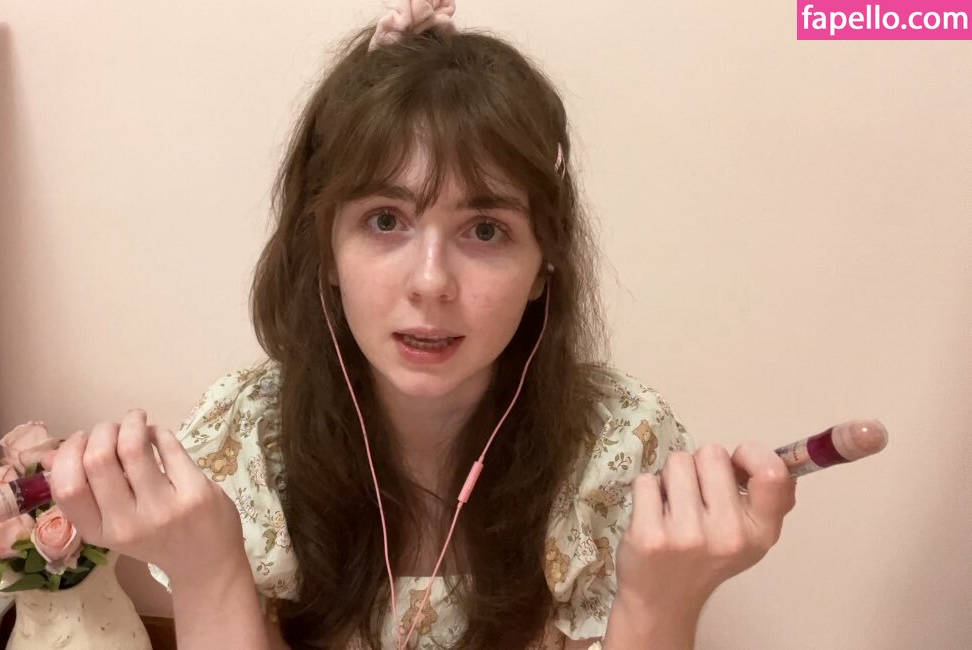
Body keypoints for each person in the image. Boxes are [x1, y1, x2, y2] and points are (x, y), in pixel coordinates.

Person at [45, 2, 798, 648]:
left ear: (544, 265)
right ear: (326, 250)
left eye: (485, 230)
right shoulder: (249, 438)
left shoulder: (618, 446)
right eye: (385, 220)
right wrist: (205, 565)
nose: (431, 282)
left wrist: (660, 607)